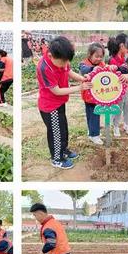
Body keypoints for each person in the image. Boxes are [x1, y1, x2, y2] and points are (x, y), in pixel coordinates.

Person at [37, 36, 91, 169]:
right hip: (50, 106)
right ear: (50, 55)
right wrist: (79, 88)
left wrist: (82, 79)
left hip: (60, 103)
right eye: (62, 62)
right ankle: (57, 158)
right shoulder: (44, 68)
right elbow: (56, 91)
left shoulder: (62, 57)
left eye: (67, 61)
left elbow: (69, 71)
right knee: (56, 132)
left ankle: (64, 149)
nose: (65, 64)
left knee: (63, 129)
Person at [79, 42, 113, 145]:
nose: (99, 59)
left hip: (97, 95)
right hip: (88, 95)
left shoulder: (101, 64)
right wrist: (93, 69)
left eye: (101, 57)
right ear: (90, 54)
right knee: (93, 115)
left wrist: (110, 68)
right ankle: (95, 135)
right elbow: (84, 70)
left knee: (94, 114)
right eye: (96, 56)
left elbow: (107, 69)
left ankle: (91, 132)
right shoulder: (84, 63)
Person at [107, 34, 128, 136]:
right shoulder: (113, 60)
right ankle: (116, 126)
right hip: (117, 88)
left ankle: (127, 124)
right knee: (118, 107)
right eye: (127, 46)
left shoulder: (123, 58)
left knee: (127, 107)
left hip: (125, 87)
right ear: (122, 46)